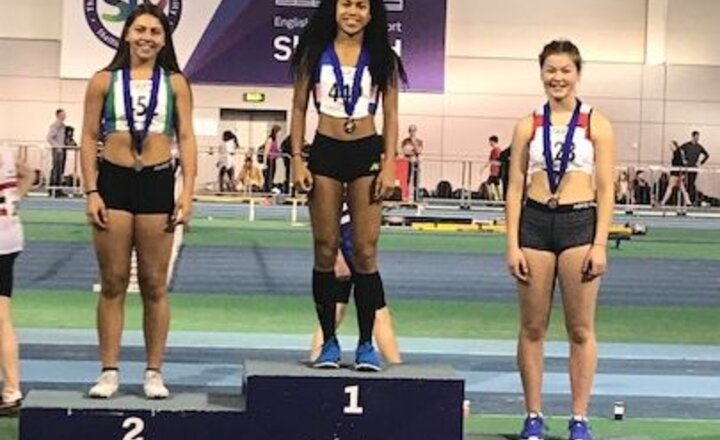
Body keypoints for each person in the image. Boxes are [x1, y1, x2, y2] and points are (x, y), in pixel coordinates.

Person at [79, 4, 197, 399]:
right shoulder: (102, 81)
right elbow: (88, 137)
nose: (147, 37)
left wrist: (188, 191)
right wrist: (92, 189)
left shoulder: (176, 83)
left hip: (157, 182)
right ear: (126, 34)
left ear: (165, 39)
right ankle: (109, 371)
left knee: (153, 283)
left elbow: (189, 138)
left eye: (155, 32)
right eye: (141, 30)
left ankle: (153, 372)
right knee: (113, 282)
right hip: (113, 184)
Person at [505, 40, 614, 440]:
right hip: (534, 225)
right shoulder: (527, 125)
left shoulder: (596, 124)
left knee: (581, 328)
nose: (558, 78)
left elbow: (606, 189)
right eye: (551, 70)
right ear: (541, 73)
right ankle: (532, 415)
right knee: (532, 326)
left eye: (565, 70)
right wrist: (512, 243)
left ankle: (579, 417)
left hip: (579, 224)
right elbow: (514, 187)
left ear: (578, 74)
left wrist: (600, 243)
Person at [290, 0, 406, 372]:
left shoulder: (382, 58)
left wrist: (390, 165)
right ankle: (329, 342)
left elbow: (390, 114)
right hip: (325, 150)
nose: (352, 12)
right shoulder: (313, 53)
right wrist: (296, 158)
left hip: (367, 152)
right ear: (334, 8)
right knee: (325, 250)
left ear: (371, 13)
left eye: (360, 5)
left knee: (365, 252)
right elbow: (298, 108)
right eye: (346, 4)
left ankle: (366, 345)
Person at [309, 202, 402, 364]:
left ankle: (397, 369)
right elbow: (324, 215)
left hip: (358, 251)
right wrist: (337, 256)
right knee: (339, 313)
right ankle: (318, 362)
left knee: (376, 313)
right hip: (346, 249)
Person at [0, 147, 33, 415]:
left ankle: (12, 390)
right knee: (2, 317)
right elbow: (28, 173)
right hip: (9, 236)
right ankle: (12, 390)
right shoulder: (6, 151)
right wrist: (15, 199)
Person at [679, 131, 709, 205]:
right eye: (697, 136)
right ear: (693, 136)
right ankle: (686, 200)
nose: (698, 138)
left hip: (694, 168)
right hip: (686, 168)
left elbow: (707, 155)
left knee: (691, 184)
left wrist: (700, 162)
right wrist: (683, 160)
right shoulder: (686, 145)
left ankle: (690, 200)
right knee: (685, 183)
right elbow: (679, 150)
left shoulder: (699, 147)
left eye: (698, 137)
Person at [659, 141, 690, 207]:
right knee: (682, 188)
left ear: (674, 145)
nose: (670, 147)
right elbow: (683, 163)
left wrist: (681, 173)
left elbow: (680, 163)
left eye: (671, 146)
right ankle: (688, 201)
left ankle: (663, 202)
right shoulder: (679, 152)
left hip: (676, 174)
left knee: (670, 187)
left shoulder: (677, 153)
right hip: (679, 173)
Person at [46, 109, 67, 197]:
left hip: (63, 149)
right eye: (62, 114)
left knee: (60, 170)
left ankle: (59, 189)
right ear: (58, 115)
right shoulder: (55, 125)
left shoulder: (63, 126)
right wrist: (57, 146)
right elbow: (49, 138)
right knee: (56, 169)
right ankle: (53, 189)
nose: (64, 116)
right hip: (57, 150)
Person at [400, 124, 423, 201]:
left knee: (416, 180)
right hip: (407, 162)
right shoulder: (405, 141)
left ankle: (416, 197)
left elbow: (419, 151)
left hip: (416, 162)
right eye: (410, 130)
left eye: (413, 131)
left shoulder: (419, 141)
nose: (412, 132)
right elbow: (405, 151)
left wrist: (414, 143)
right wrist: (412, 151)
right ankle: (405, 196)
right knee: (407, 179)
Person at [262, 124, 282, 192]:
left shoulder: (275, 140)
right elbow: (266, 151)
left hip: (274, 159)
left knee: (272, 174)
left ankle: (269, 188)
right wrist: (265, 163)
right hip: (269, 160)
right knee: (269, 175)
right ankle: (267, 189)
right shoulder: (270, 139)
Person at [482, 135, 502, 200]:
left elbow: (493, 160)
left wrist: (484, 167)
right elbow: (491, 160)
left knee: (489, 184)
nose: (490, 143)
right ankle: (498, 197)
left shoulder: (496, 150)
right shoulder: (495, 150)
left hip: (495, 172)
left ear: (493, 141)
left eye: (490, 142)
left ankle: (494, 197)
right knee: (496, 185)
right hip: (494, 171)